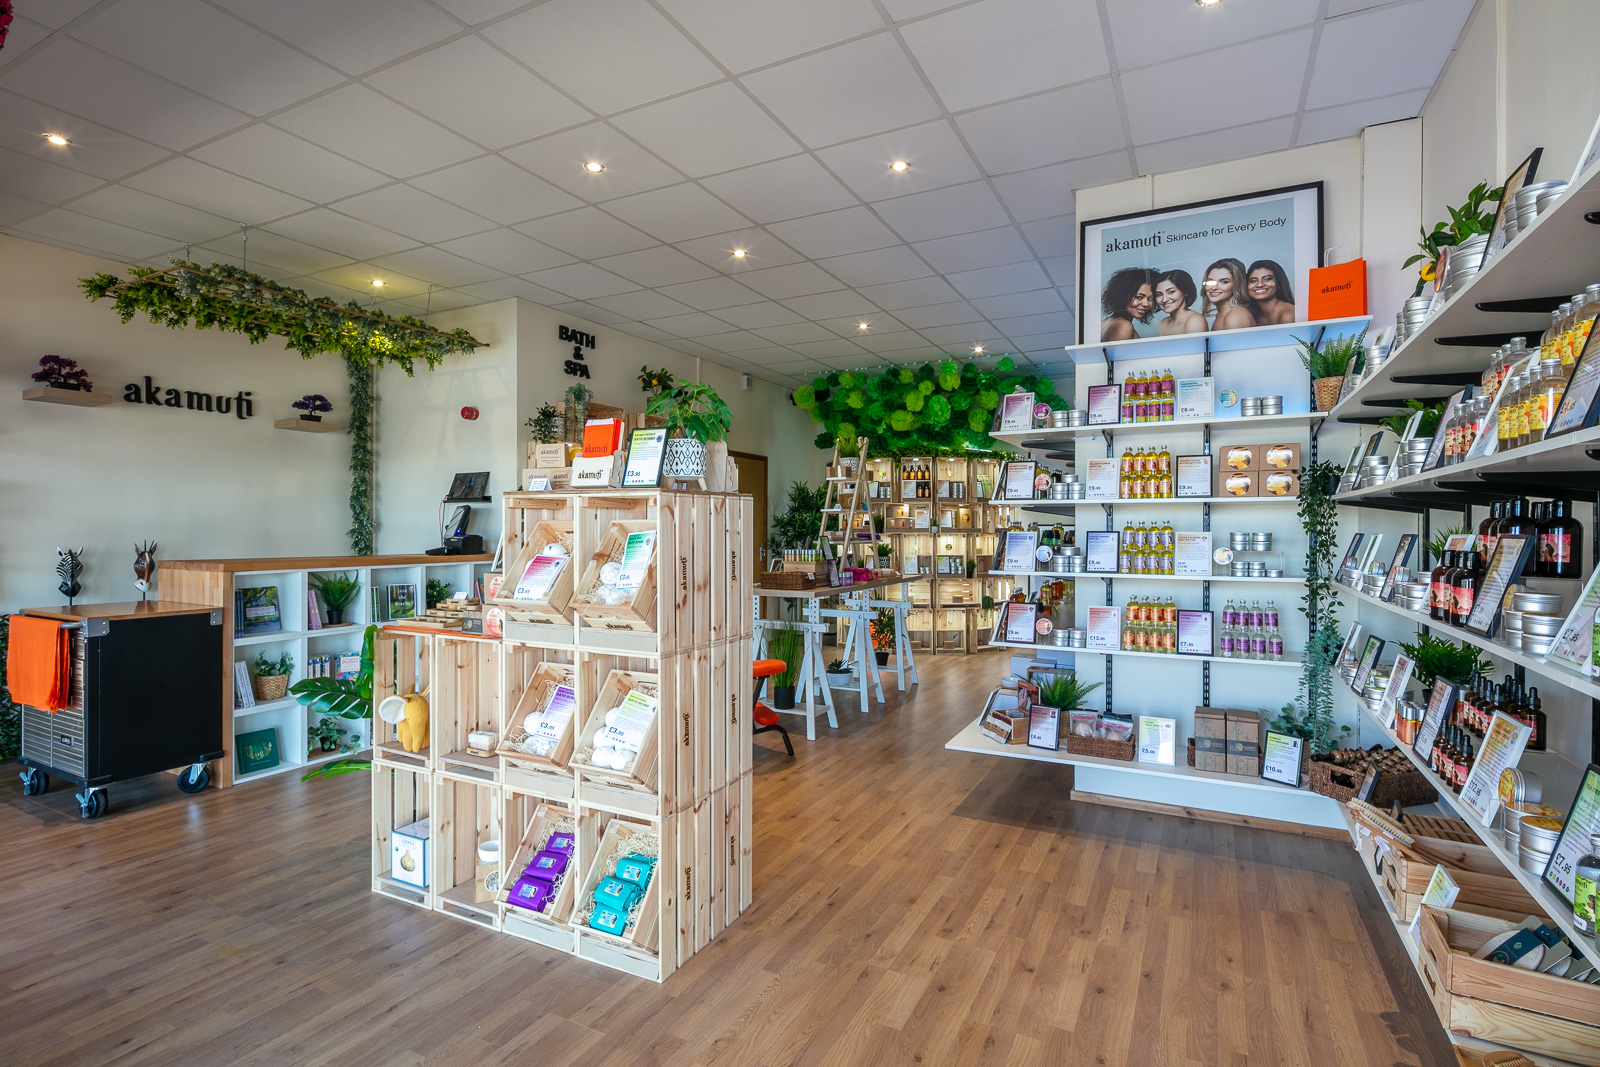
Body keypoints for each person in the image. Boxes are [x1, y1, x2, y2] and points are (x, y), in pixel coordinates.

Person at [1100, 267, 1156, 341]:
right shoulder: (1124, 326)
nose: (1146, 304)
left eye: (1150, 298)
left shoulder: (1107, 321)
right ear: (1123, 296)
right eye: (1139, 297)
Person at [1202, 258, 1256, 331]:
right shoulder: (1222, 315)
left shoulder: (1236, 316)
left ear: (1236, 285)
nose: (1214, 288)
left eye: (1224, 282)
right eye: (1210, 282)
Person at [1153, 269, 1207, 335]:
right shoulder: (1163, 323)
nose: (1164, 299)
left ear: (1185, 291)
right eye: (1159, 295)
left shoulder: (1195, 321)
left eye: (1171, 292)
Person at [1245, 259, 1296, 324]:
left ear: (1279, 283)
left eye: (1267, 279)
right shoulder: (1252, 315)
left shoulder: (1288, 315)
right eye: (1253, 281)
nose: (1259, 285)